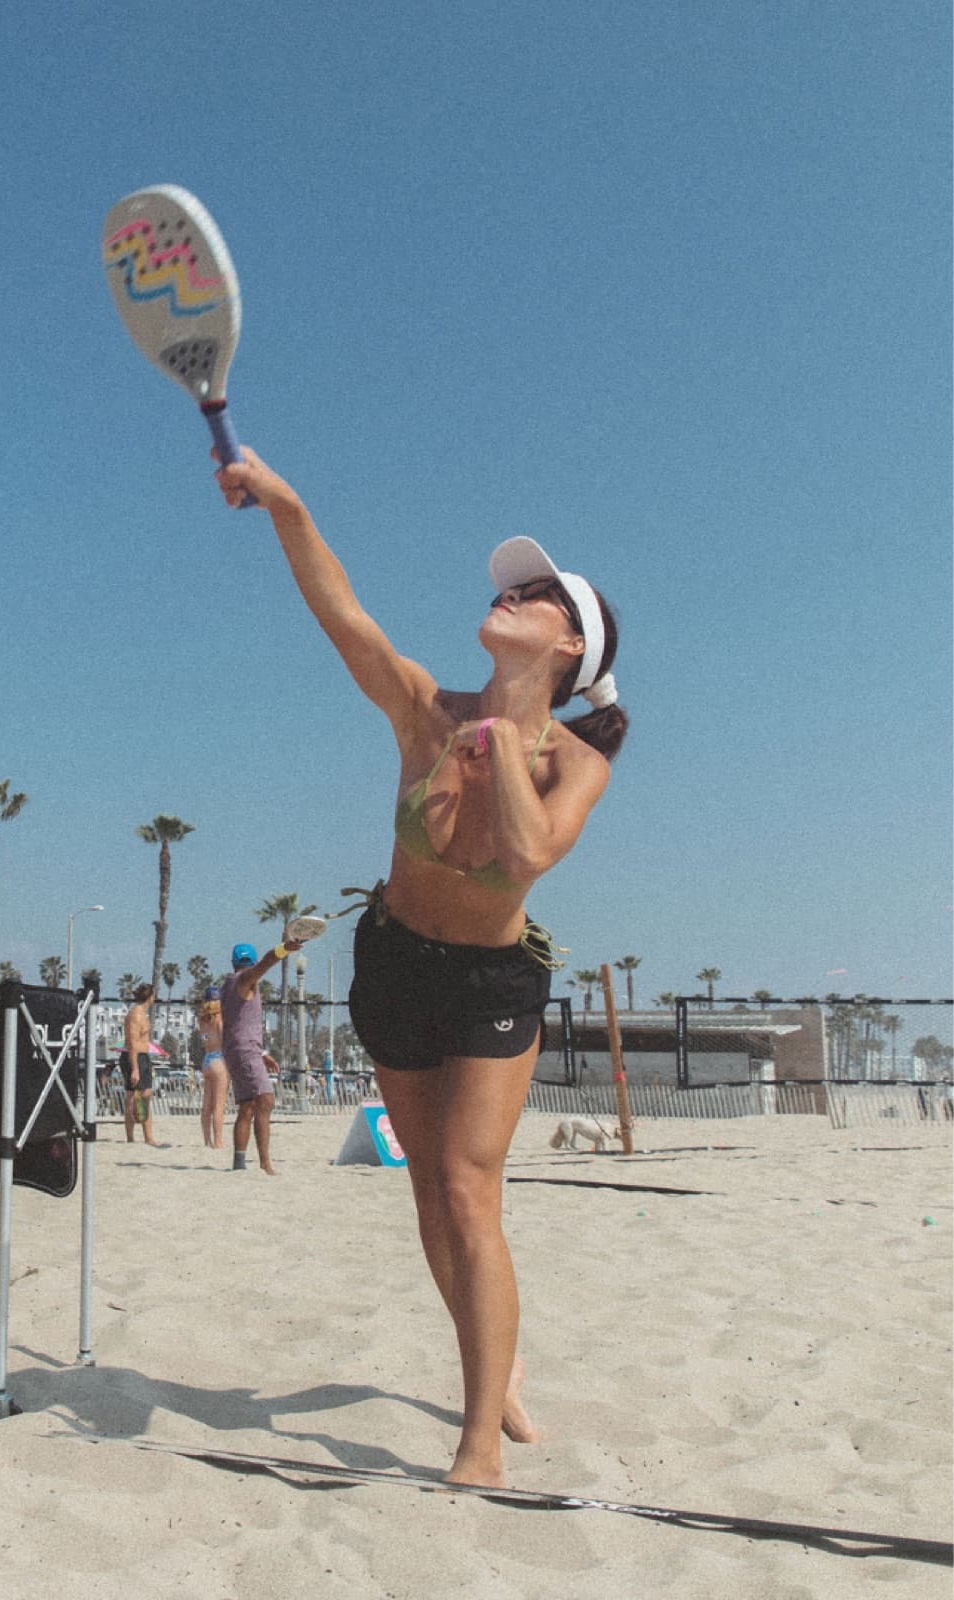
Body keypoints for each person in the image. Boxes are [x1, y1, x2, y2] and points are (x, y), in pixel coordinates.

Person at [216, 449, 626, 1489]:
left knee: (464, 1183)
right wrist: (288, 502)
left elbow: (527, 855)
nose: (510, 593)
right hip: (395, 960)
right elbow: (341, 613)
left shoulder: (573, 761)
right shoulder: (422, 710)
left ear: (570, 644)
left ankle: (479, 1438)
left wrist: (504, 735)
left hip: (493, 983)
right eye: (508, 585)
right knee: (428, 1204)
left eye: (536, 595)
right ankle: (493, 1369)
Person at [219, 941, 303, 1174]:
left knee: (247, 1106)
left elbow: (239, 1023)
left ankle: (239, 1164)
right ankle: (265, 1163)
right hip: (244, 1050)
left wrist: (262, 1053)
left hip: (237, 1049)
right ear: (251, 963)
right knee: (265, 1100)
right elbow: (266, 964)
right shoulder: (246, 979)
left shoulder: (228, 984)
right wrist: (283, 949)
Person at [121, 982, 158, 1144]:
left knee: (143, 1096)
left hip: (142, 1056)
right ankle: (140, 1137)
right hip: (134, 1057)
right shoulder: (136, 1014)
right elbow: (132, 1042)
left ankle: (144, 1136)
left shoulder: (142, 1013)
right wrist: (135, 1068)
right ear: (149, 997)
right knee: (137, 1097)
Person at [196, 986, 228, 1148]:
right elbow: (225, 1041)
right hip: (219, 1058)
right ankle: (218, 1141)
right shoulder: (219, 1019)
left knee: (206, 1104)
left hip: (207, 1059)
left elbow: (205, 1038)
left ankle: (206, 1141)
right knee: (219, 1105)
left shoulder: (202, 1020)